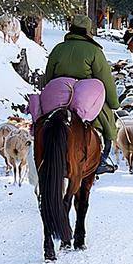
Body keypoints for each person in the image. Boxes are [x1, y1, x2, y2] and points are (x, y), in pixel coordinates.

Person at [45, 15, 118, 174]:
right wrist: (113, 103)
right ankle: (101, 160)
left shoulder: (58, 48)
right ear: (88, 31)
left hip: (58, 94)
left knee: (42, 119)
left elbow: (47, 77)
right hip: (84, 96)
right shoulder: (94, 51)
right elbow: (105, 79)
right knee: (107, 123)